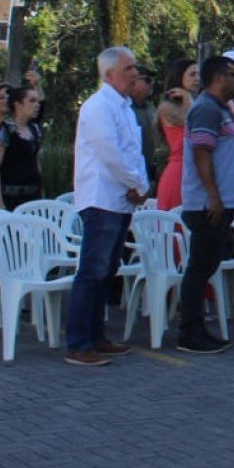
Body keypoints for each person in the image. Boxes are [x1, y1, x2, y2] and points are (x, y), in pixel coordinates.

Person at [64, 47, 150, 367]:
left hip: (120, 199)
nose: (135, 73)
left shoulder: (125, 107)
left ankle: (96, 336)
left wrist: (140, 183)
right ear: (109, 74)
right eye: (129, 68)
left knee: (107, 271)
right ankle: (78, 342)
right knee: (92, 271)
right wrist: (137, 184)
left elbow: (133, 152)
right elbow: (110, 153)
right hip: (102, 199)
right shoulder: (98, 106)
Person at [176, 54, 234, 355]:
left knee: (206, 265)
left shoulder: (221, 109)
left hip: (219, 203)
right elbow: (202, 153)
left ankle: (197, 327)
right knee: (199, 267)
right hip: (207, 205)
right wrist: (214, 196)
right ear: (218, 78)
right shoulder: (206, 109)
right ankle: (189, 331)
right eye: (232, 74)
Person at [0, 85, 45, 212]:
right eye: (32, 101)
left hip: (33, 196)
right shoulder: (2, 130)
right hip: (10, 198)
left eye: (38, 101)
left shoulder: (35, 130)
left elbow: (36, 161)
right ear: (18, 105)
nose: (37, 105)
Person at [155, 57, 200, 210]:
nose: (197, 79)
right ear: (179, 75)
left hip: (194, 171)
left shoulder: (194, 102)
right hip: (179, 172)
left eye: (198, 75)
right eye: (192, 74)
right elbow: (193, 125)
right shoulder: (167, 107)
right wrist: (188, 99)